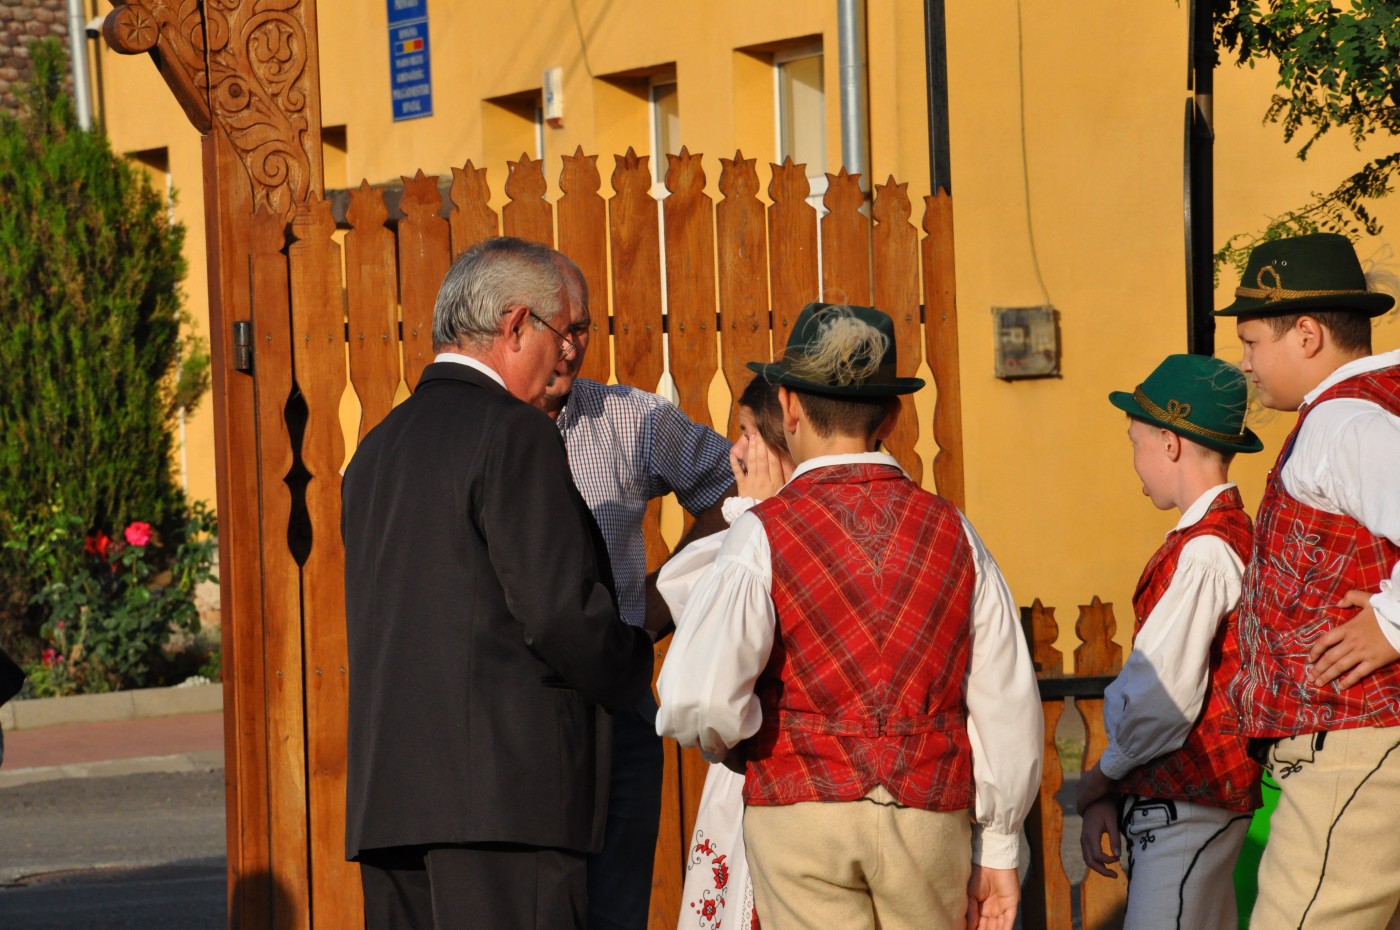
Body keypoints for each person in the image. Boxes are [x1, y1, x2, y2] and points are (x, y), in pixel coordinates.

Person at [655, 302, 1043, 930]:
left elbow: (695, 697)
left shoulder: (762, 533)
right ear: (893, 415)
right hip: (927, 814)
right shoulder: (955, 532)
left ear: (788, 407)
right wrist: (998, 845)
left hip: (801, 815)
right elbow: (1005, 700)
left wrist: (746, 744)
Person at [341, 236, 655, 930]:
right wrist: (632, 662)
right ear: (515, 326)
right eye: (563, 333)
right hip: (506, 805)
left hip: (392, 805)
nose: (569, 356)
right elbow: (559, 613)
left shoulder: (375, 450)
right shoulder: (515, 432)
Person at [1210, 232, 1400, 929]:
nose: (1244, 363)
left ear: (1308, 335)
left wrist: (1393, 622)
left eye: (1252, 342)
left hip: (1357, 742)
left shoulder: (1342, 419)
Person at [540, 256, 736, 930]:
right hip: (517, 715)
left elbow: (736, 489)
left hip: (617, 706)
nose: (570, 347)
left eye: (582, 330)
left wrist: (658, 604)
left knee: (614, 910)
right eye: (557, 330)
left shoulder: (629, 418)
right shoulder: (478, 431)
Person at [1076, 354, 1265, 928]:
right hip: (1183, 805)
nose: (1135, 460)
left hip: (1187, 807)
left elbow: (1163, 697)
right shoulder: (1218, 537)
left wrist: (1101, 777)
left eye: (1136, 443)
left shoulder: (1205, 550)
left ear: (1170, 443)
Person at [656, 375, 795, 930]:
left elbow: (701, 684)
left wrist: (755, 515)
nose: (735, 451)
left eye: (747, 434)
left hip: (767, 771)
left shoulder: (759, 537)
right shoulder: (747, 526)